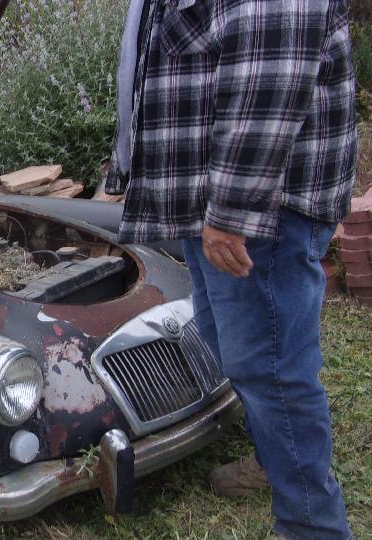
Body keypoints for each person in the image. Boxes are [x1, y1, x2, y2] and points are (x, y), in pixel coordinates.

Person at [106, 0, 356, 538]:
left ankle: (312, 526)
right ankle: (275, 459)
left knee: (273, 372)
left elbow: (272, 66)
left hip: (260, 207)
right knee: (235, 351)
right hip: (215, 196)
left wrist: (232, 211)